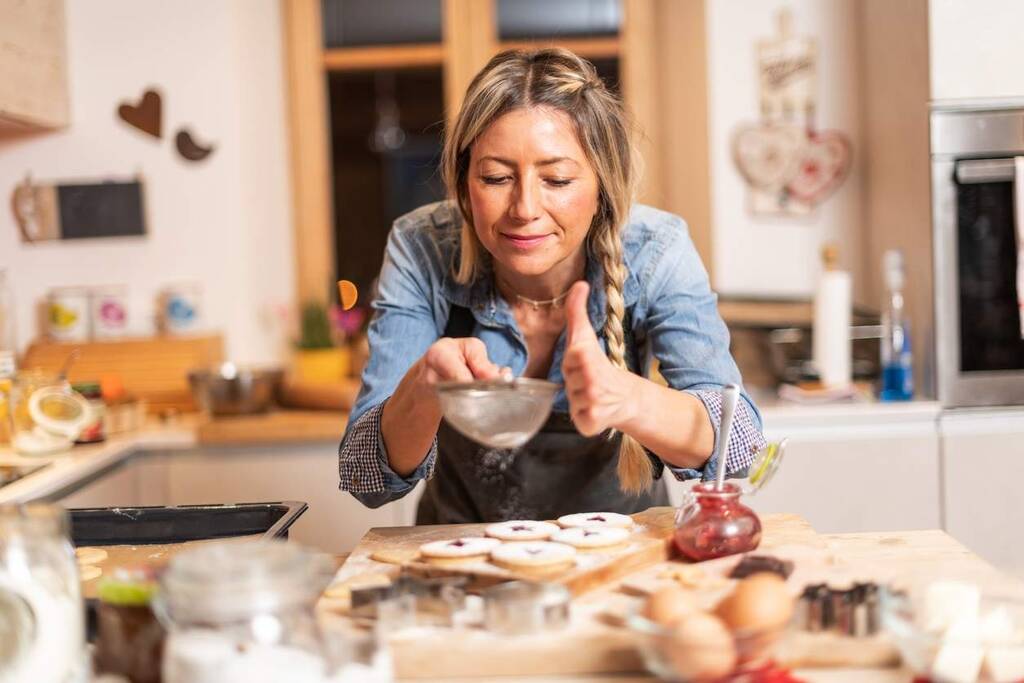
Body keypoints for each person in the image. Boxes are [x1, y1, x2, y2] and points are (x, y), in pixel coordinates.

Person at [338, 48, 766, 524]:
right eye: (496, 177)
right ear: (462, 184)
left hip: (621, 557)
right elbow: (363, 476)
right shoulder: (422, 247)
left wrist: (626, 398)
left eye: (557, 179)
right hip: (464, 562)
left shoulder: (656, 249)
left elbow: (740, 445)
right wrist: (424, 388)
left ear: (603, 184)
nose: (524, 207)